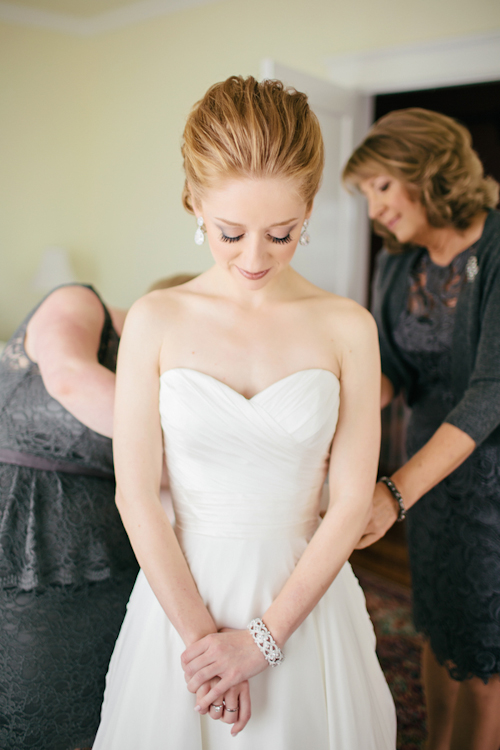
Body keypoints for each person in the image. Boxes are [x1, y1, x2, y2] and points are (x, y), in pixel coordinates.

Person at [93, 75, 396, 750]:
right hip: (181, 600)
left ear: (310, 209)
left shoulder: (348, 326)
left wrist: (262, 642)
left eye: (282, 234)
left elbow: (349, 503)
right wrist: (209, 648)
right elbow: (136, 494)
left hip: (305, 605)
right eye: (230, 233)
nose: (255, 259)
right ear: (192, 204)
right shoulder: (156, 319)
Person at [343, 108, 500, 750]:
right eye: (365, 195)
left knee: (486, 650)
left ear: (426, 169)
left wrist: (396, 492)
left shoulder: (496, 252)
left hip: (489, 478)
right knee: (437, 621)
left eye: (381, 186)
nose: (375, 208)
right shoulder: (396, 268)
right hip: (432, 478)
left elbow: (492, 389)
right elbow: (388, 376)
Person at [0, 275, 195, 750]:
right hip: (25, 537)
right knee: (27, 704)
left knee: (95, 707)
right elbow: (68, 377)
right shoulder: (80, 303)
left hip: (104, 559)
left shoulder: (165, 381)